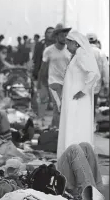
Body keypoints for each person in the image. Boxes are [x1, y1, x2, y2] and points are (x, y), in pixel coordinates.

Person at [57, 30, 100, 158]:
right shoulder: (78, 55)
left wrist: (84, 91)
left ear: (75, 43)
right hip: (74, 98)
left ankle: (73, 157)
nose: (66, 47)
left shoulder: (81, 54)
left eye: (68, 44)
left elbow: (94, 73)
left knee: (75, 127)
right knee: (74, 126)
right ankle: (73, 157)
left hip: (77, 100)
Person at [39, 24, 72, 128]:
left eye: (66, 35)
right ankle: (57, 133)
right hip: (54, 82)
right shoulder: (49, 50)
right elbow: (43, 69)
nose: (64, 37)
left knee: (64, 109)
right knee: (58, 107)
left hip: (67, 83)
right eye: (62, 35)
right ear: (56, 36)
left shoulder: (70, 50)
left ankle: (53, 127)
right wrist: (40, 85)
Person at [87, 33, 109, 108]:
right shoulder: (101, 53)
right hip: (96, 87)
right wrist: (106, 84)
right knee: (92, 108)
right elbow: (105, 70)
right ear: (96, 41)